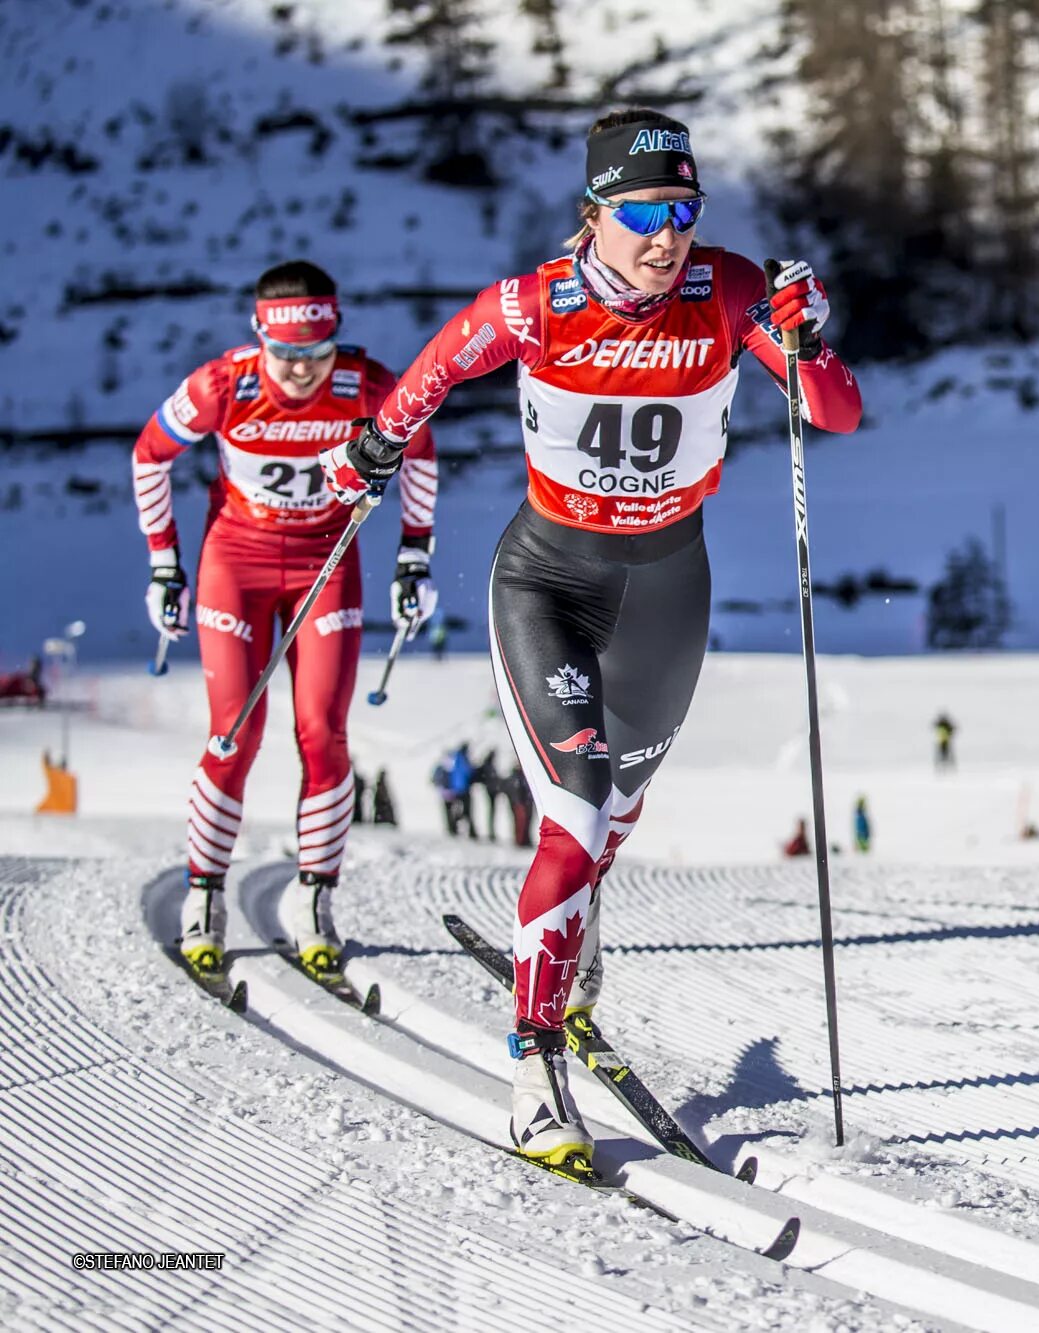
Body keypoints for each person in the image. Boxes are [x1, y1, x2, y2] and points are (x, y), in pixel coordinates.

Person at [316, 109, 861, 1175]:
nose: (667, 236)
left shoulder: (730, 290)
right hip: (549, 581)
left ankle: (573, 926)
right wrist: (373, 449)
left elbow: (831, 413)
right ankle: (534, 1061)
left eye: (684, 212)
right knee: (574, 807)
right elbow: (425, 378)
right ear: (593, 216)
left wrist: (806, 335)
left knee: (615, 820)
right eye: (645, 213)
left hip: (667, 587)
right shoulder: (528, 306)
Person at [135, 260, 439, 978]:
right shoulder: (223, 385)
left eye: (315, 353)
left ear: (336, 338)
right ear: (260, 339)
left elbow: (420, 450)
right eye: (286, 354)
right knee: (233, 732)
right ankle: (204, 893)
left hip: (327, 561)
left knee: (323, 734)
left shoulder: (365, 384)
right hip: (235, 563)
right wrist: (163, 564)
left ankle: (314, 898)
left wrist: (415, 558)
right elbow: (149, 456)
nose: (300, 370)